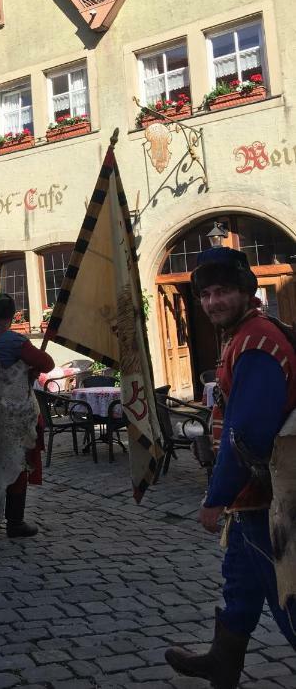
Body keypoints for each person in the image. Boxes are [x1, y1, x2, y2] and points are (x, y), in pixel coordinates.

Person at [165, 247, 296, 688]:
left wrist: (216, 497)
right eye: (206, 294)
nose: (213, 301)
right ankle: (224, 662)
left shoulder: (257, 342)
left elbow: (249, 435)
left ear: (245, 291)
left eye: (223, 291)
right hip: (252, 496)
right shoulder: (243, 335)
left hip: (265, 495)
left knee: (287, 594)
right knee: (240, 581)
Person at [0, 293, 54, 538]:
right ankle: (15, 522)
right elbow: (46, 363)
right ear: (11, 315)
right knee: (16, 462)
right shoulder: (14, 341)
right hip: (11, 413)